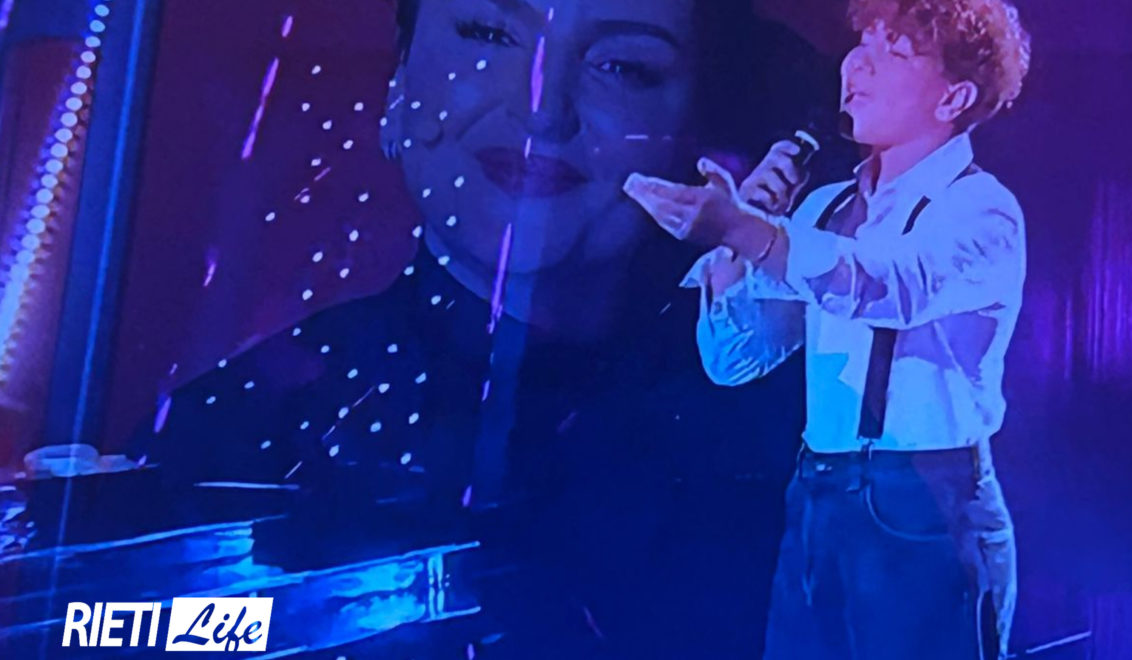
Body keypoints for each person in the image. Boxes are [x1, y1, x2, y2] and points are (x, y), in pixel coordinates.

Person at [128, 0, 845, 656]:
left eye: (623, 66)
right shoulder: (235, 433)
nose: (542, 108)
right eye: (488, 34)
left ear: (702, 138)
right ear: (397, 91)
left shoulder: (807, 428)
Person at [624, 0, 1032, 657]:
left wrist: (751, 231)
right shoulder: (824, 206)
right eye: (861, 44)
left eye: (893, 52)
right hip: (817, 492)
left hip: (926, 502)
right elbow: (735, 359)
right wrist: (737, 243)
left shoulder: (980, 209)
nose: (857, 66)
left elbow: (885, 286)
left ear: (953, 96)